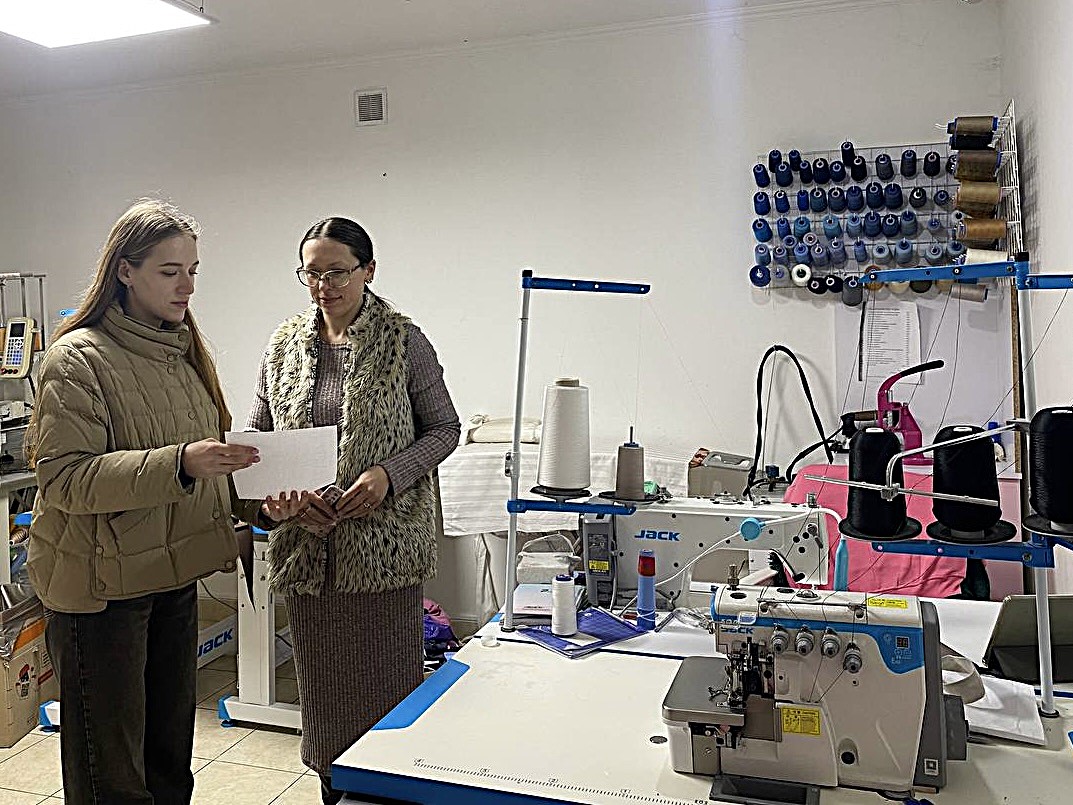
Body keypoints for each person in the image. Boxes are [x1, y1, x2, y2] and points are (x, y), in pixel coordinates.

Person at [26, 199, 303, 805]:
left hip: (171, 579)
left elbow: (210, 464)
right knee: (111, 776)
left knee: (169, 762)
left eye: (193, 271)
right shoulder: (77, 360)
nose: (187, 286)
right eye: (170, 271)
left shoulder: (183, 355)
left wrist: (258, 507)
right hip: (101, 594)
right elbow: (66, 480)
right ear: (124, 271)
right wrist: (179, 463)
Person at [247, 217, 460, 803]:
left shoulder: (403, 341)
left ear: (368, 271)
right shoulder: (283, 345)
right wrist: (281, 500)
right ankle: (330, 785)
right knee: (324, 699)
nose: (324, 286)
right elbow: (260, 440)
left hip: (383, 551)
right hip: (309, 552)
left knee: (387, 692)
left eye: (337, 272)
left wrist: (390, 475)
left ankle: (391, 786)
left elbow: (444, 429)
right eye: (311, 274)